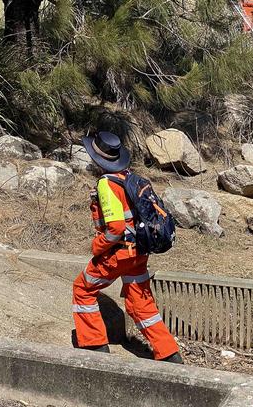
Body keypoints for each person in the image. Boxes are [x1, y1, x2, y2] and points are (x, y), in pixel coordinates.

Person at [71, 131, 182, 363]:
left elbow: (115, 228)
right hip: (139, 252)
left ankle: (94, 346)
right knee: (140, 301)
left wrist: (97, 247)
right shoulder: (129, 176)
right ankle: (169, 353)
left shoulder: (106, 184)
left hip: (118, 253)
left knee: (82, 289)